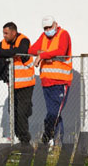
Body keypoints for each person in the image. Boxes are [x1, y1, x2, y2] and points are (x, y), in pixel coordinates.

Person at [0, 22, 34, 147]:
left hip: (26, 84)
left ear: (14, 32)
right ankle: (17, 138)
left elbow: (18, 51)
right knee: (12, 112)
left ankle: (25, 142)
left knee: (22, 113)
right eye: (3, 33)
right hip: (13, 85)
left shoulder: (23, 40)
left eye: (6, 33)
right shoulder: (5, 42)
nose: (4, 36)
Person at [28, 15, 73, 146]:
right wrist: (43, 53)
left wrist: (42, 54)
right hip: (46, 82)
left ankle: (47, 137)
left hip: (60, 82)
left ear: (55, 24)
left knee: (54, 113)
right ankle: (58, 144)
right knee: (55, 114)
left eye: (50, 27)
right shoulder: (43, 37)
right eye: (45, 28)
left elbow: (61, 51)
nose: (48, 30)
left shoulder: (63, 34)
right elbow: (31, 50)